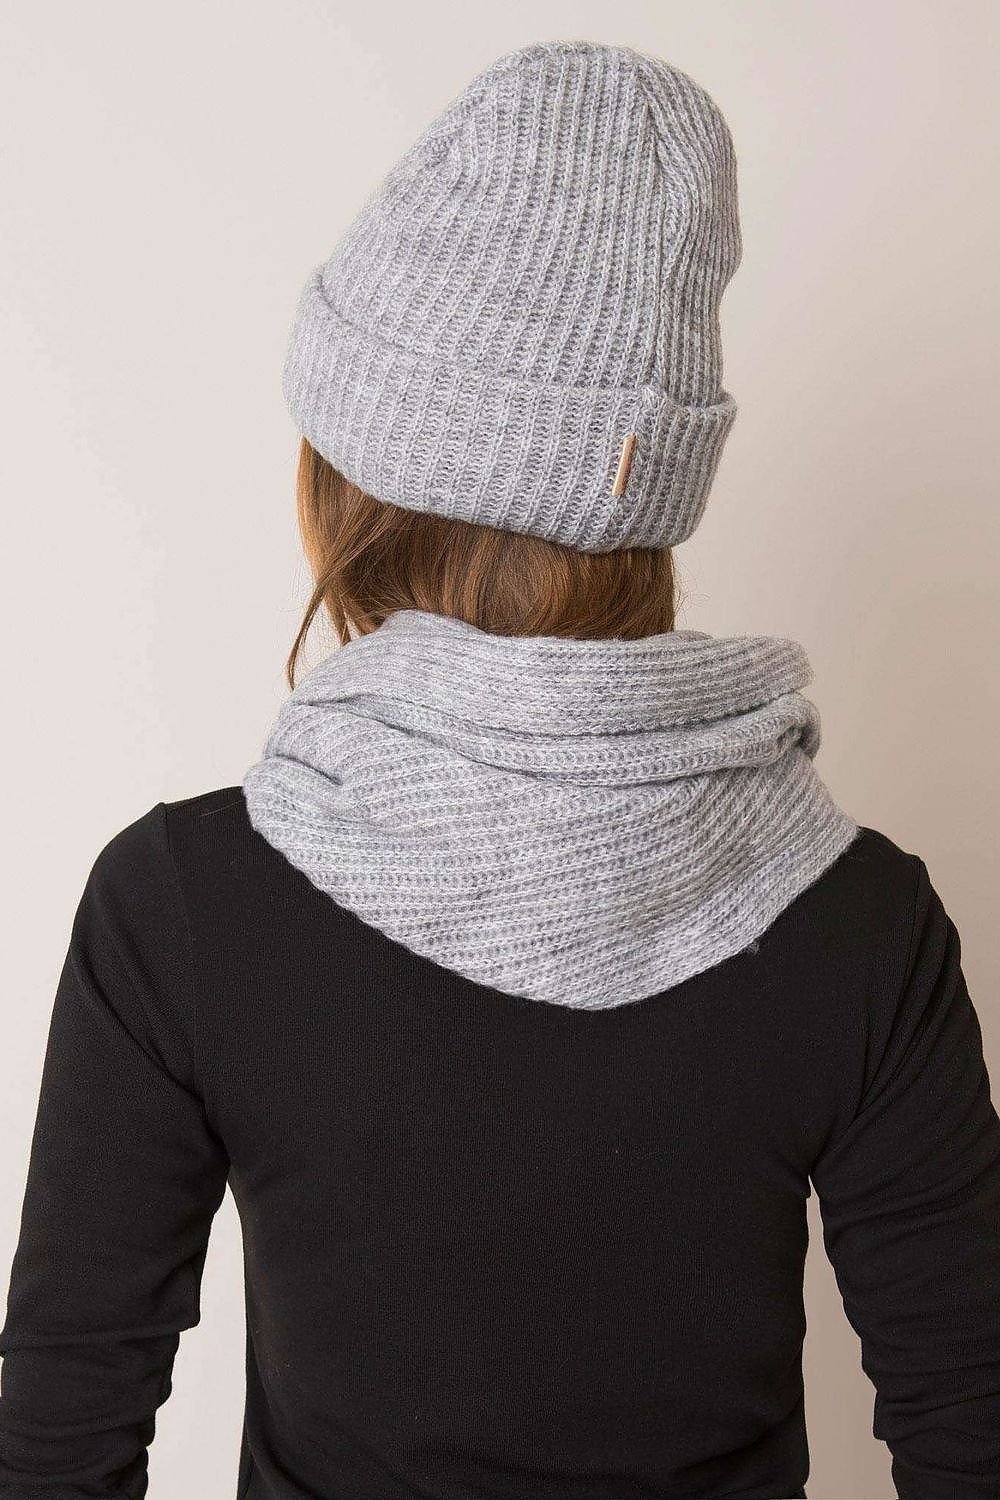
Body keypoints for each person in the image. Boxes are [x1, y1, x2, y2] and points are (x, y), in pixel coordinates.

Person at [1, 38, 998, 1500]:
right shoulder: (859, 920)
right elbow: (973, 1428)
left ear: (350, 483)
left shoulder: (183, 904)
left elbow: (57, 1440)